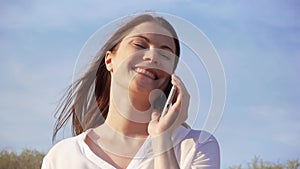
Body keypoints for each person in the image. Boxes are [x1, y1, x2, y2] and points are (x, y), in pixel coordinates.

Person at [41, 12, 220, 169]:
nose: (152, 56)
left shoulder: (197, 146)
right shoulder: (62, 156)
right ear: (110, 60)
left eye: (165, 55)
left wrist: (162, 139)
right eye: (140, 45)